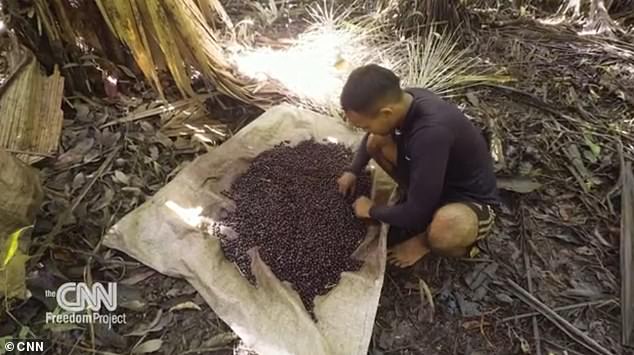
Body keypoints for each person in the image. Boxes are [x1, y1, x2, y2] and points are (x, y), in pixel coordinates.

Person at [336, 64, 498, 268]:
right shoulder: (407, 99)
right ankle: (413, 202)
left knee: (447, 228)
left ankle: (424, 241)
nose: (364, 130)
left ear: (387, 112)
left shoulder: (430, 134)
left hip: (468, 200)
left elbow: (417, 212)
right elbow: (373, 136)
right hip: (433, 176)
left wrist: (372, 210)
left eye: (365, 125)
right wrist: (353, 170)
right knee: (376, 141)